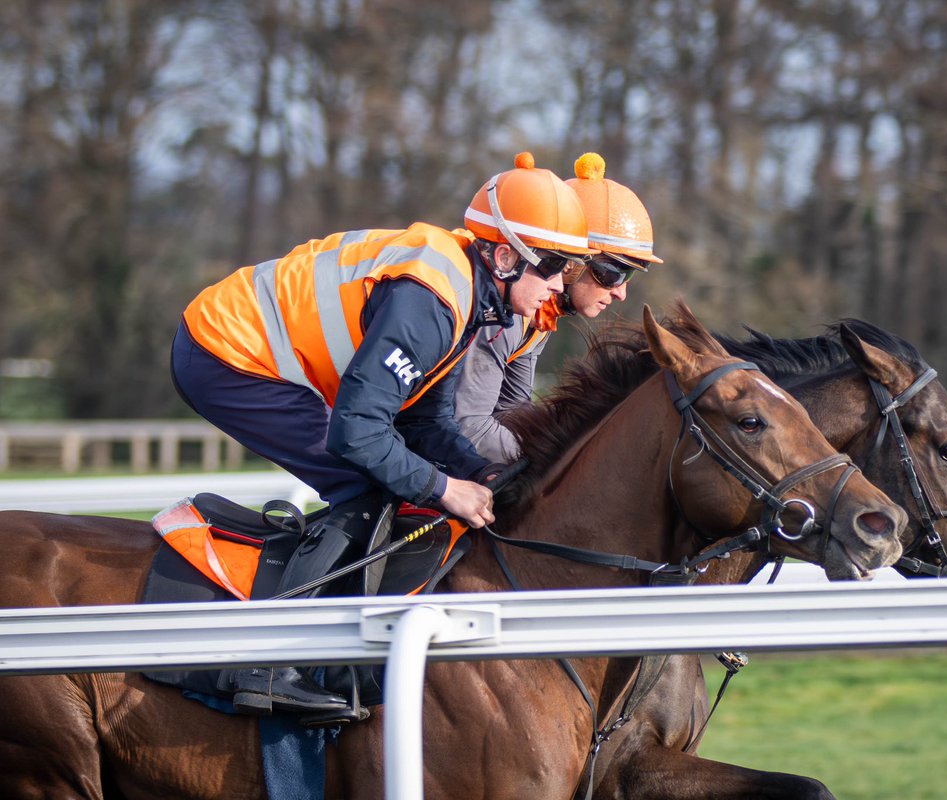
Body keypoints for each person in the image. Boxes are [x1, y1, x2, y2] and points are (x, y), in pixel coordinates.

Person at [170, 152, 593, 714]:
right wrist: (445, 489)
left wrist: (487, 475)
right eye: (554, 266)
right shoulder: (434, 302)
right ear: (503, 256)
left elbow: (425, 421)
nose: (561, 285)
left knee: (396, 475)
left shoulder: (471, 295)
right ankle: (266, 666)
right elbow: (358, 433)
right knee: (366, 482)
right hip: (227, 354)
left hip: (259, 356)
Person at [455, 152, 662, 463]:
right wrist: (568, 460)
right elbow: (469, 427)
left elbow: (511, 411)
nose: (620, 292)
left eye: (630, 275)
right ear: (571, 263)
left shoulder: (540, 314)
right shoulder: (506, 309)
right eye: (614, 272)